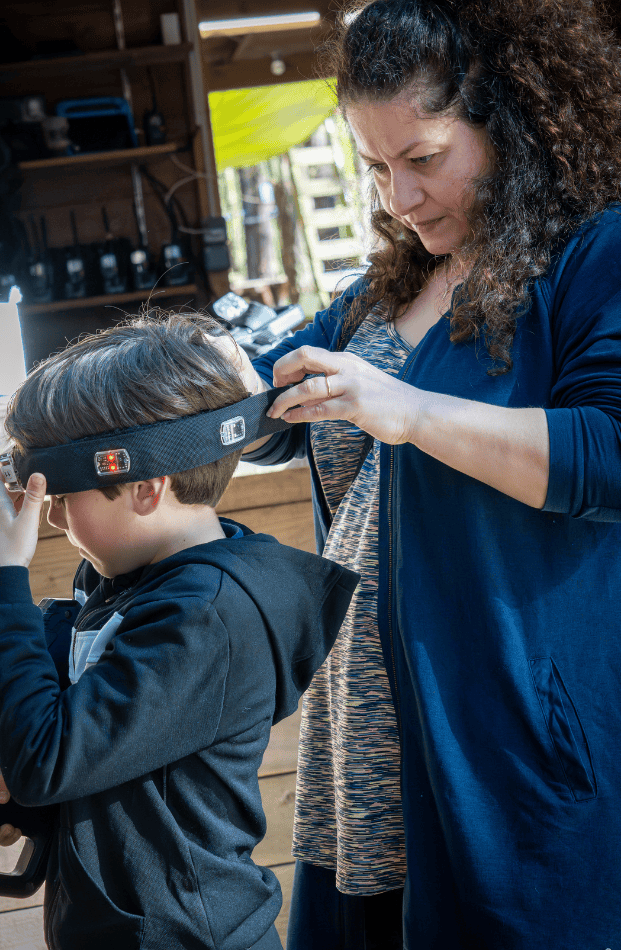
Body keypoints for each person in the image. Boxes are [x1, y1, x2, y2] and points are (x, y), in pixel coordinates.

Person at [221, 1, 621, 947]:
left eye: (424, 157)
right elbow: (278, 411)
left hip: (507, 748)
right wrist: (211, 379)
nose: (398, 196)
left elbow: (608, 454)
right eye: (375, 166)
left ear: (511, 120)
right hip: (362, 752)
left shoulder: (592, 256)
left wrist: (406, 411)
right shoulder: (389, 286)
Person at [0, 313, 359, 950]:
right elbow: (108, 767)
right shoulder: (125, 582)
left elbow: (48, 759)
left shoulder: (207, 618)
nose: (55, 519)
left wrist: (4, 578)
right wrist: (25, 806)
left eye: (62, 495)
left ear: (146, 486)